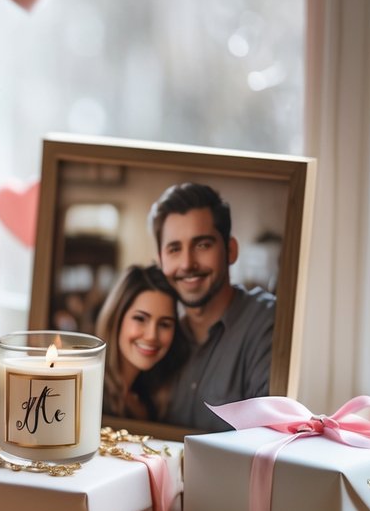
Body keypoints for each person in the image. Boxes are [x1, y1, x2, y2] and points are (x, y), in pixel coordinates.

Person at [149, 182, 275, 430]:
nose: (187, 263)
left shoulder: (268, 322)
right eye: (174, 249)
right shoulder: (158, 337)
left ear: (230, 251)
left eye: (202, 245)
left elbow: (267, 442)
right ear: (160, 261)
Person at [95, 265, 189, 421]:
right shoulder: (88, 390)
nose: (152, 336)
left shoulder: (152, 399)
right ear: (116, 318)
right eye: (140, 319)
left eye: (164, 324)